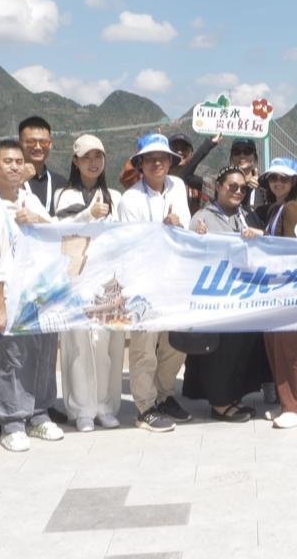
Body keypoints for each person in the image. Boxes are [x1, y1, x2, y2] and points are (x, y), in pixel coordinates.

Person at [0, 138, 60, 452]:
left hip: (39, 298)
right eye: (8, 161)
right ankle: (11, 423)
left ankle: (39, 413)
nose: (15, 167)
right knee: (10, 362)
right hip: (8, 300)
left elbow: (54, 230)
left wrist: (37, 219)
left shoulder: (28, 200)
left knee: (43, 357)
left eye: (19, 162)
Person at [184, 165, 272, 423]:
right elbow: (189, 251)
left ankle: (232, 397)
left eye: (242, 188)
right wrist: (198, 238)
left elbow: (266, 245)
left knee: (238, 350)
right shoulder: (203, 217)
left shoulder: (247, 215)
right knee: (219, 353)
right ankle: (219, 403)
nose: (238, 191)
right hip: (216, 297)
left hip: (242, 296)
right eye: (232, 186)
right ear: (218, 187)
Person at [118, 132, 193, 432]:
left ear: (171, 162)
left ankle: (164, 395)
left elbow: (186, 229)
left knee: (176, 345)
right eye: (150, 159)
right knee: (144, 348)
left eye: (162, 158)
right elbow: (131, 244)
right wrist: (162, 229)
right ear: (140, 164)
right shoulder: (130, 199)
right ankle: (145, 407)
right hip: (143, 283)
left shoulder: (178, 187)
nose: (157, 163)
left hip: (174, 280)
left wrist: (179, 226)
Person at [52, 135, 125, 433]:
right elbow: (59, 229)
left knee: (106, 346)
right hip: (76, 280)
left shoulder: (115, 197)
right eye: (87, 157)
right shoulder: (64, 195)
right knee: (78, 345)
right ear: (75, 161)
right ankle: (82, 409)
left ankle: (105, 405)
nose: (93, 162)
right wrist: (87, 214)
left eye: (98, 156)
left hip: (107, 282)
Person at [256, 158, 297, 429]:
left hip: (289, 288)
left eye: (284, 178)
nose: (278, 183)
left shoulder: (290, 209)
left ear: (293, 183)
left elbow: (291, 249)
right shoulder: (276, 209)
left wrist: (260, 237)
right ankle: (286, 402)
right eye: (273, 178)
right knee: (277, 347)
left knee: (292, 349)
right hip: (276, 288)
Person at [18, 115, 67, 218]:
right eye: (31, 142)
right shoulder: (9, 180)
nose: (38, 147)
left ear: (50, 144)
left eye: (43, 142)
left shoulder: (61, 183)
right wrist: (18, 182)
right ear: (19, 144)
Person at [168, 132, 221, 215]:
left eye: (184, 149)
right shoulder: (157, 181)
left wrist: (209, 144)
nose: (179, 152)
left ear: (191, 154)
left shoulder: (198, 186)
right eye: (174, 148)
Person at [227, 138, 271, 210]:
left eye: (247, 151)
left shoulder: (266, 184)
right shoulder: (224, 184)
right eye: (236, 152)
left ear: (254, 156)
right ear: (232, 157)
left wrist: (261, 186)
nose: (242, 155)